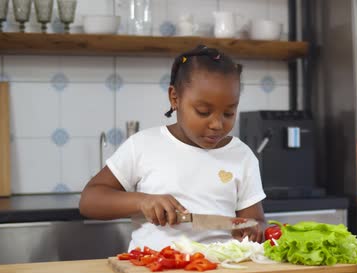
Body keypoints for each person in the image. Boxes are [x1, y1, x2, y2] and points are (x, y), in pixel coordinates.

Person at [79, 45, 266, 251]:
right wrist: (142, 201)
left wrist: (254, 230)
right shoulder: (143, 145)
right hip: (153, 269)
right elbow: (90, 201)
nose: (217, 124)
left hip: (219, 270)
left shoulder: (241, 156)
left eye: (229, 113)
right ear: (174, 98)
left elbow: (255, 220)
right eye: (203, 112)